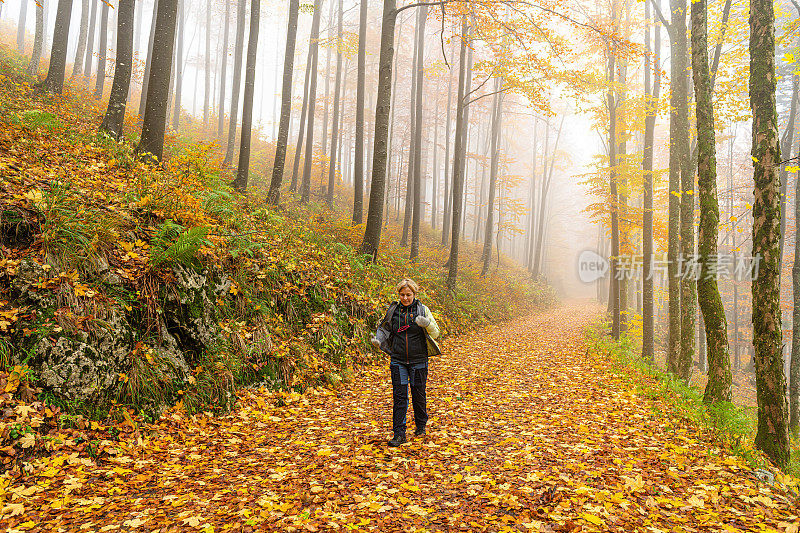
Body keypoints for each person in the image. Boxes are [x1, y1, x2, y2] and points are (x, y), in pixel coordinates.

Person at [371, 278, 441, 447]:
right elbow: (385, 329)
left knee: (418, 394)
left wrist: (427, 324)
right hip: (398, 360)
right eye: (402, 294)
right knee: (400, 397)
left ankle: (421, 424)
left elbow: (436, 333)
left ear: (414, 294)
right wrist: (378, 340)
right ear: (398, 295)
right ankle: (399, 434)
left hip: (419, 360)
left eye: (408, 294)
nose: (405, 298)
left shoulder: (423, 310)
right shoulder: (393, 310)